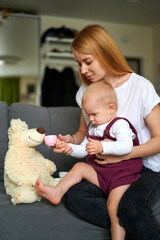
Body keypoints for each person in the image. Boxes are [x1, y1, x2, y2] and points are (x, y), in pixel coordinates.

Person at [46, 24, 160, 239]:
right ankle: (122, 218)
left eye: (88, 62)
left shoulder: (140, 87)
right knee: (74, 197)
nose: (82, 70)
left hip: (143, 167)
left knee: (132, 208)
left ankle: (125, 214)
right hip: (104, 169)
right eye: (79, 63)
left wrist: (123, 154)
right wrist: (70, 141)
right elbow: (83, 132)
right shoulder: (85, 91)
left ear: (106, 54)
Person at [35, 81, 143, 240]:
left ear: (111, 108)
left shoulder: (119, 124)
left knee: (114, 207)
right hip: (102, 174)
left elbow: (127, 146)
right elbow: (83, 149)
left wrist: (103, 147)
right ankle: (57, 192)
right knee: (79, 166)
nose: (90, 119)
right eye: (88, 114)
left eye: (94, 114)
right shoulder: (93, 128)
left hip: (121, 176)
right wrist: (69, 148)